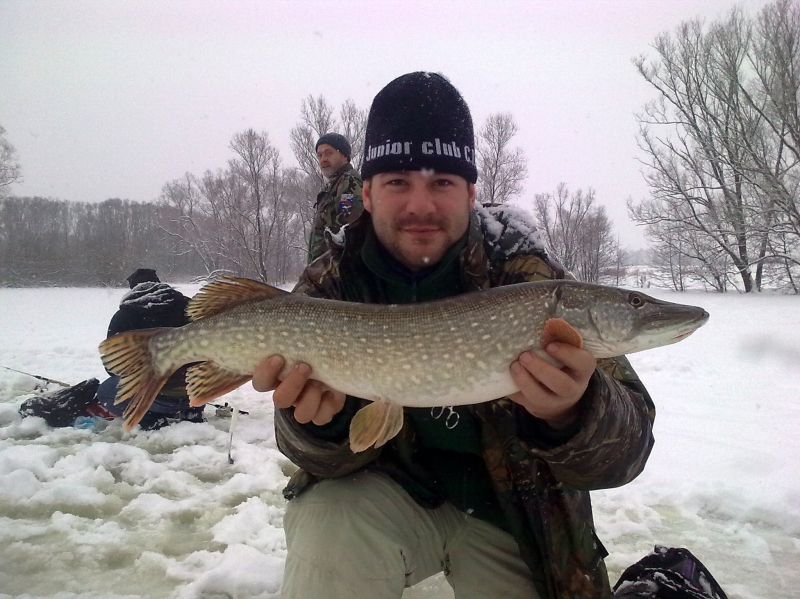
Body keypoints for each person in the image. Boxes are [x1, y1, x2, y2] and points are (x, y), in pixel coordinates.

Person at [251, 73, 660, 598]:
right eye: (398, 182)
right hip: (382, 497)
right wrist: (321, 427)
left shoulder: (529, 279)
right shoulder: (331, 283)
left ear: (470, 193)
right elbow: (308, 454)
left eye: (442, 182)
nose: (420, 205)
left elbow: (629, 453)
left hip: (515, 517)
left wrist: (573, 413)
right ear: (367, 193)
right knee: (327, 529)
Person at [94, 268, 205, 429]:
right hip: (198, 389)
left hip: (154, 395)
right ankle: (193, 410)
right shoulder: (190, 306)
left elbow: (113, 366)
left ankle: (149, 417)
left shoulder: (124, 316)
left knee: (106, 392)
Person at [307, 132, 363, 263]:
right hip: (323, 271)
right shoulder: (334, 186)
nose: (323, 159)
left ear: (344, 155)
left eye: (328, 153)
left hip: (336, 271)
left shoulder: (349, 184)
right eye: (320, 155)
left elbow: (348, 235)